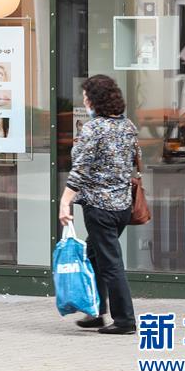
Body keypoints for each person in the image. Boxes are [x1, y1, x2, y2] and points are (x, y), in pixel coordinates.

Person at [58, 74, 139, 334]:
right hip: (122, 206)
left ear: (94, 100)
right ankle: (96, 311)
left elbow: (80, 170)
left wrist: (65, 202)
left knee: (110, 264)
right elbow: (134, 161)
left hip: (100, 208)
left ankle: (125, 320)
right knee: (94, 256)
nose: (84, 101)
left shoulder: (93, 129)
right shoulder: (128, 126)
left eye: (86, 97)